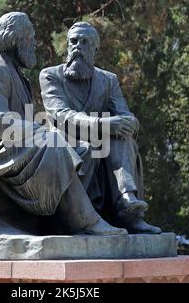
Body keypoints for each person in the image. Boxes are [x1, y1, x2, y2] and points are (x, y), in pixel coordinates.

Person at [0, 12, 126, 236]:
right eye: (30, 38)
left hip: (11, 149)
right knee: (54, 142)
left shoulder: (15, 74)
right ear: (15, 39)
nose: (34, 45)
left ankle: (64, 221)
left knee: (84, 148)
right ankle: (85, 221)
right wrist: (43, 133)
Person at [39, 22, 162, 234]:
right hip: (64, 143)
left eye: (84, 42)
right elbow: (60, 115)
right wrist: (105, 124)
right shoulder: (51, 75)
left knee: (123, 138)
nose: (77, 46)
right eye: (73, 41)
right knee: (95, 143)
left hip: (100, 146)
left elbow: (124, 114)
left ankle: (128, 206)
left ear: (95, 49)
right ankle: (74, 217)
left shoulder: (108, 80)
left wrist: (128, 123)